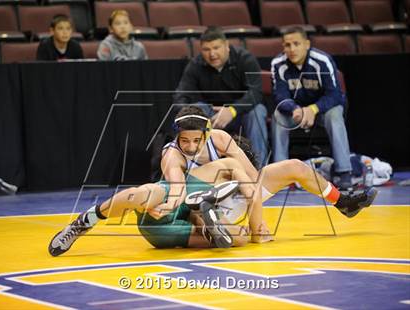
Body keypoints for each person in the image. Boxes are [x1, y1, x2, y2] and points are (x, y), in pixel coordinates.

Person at [48, 106, 377, 256]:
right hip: (176, 209)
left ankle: (343, 202)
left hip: (220, 199)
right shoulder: (171, 155)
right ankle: (82, 223)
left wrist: (258, 221)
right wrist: (171, 204)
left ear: (206, 134)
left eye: (196, 141)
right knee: (145, 194)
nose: (191, 147)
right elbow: (175, 185)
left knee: (291, 168)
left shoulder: (220, 139)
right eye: (185, 141)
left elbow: (251, 178)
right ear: (177, 137)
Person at [270, 26, 353, 190]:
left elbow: (335, 94)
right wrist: (295, 109)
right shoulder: (278, 64)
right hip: (296, 112)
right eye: (287, 45)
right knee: (278, 115)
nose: (292, 49)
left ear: (307, 44)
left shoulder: (322, 60)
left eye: (296, 44)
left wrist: (313, 109)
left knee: (335, 115)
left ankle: (344, 172)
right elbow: (280, 96)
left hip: (323, 110)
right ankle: (280, 173)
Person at [174, 27, 268, 168]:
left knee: (258, 111)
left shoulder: (245, 59)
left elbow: (255, 93)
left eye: (216, 48)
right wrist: (196, 115)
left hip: (240, 113)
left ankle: (258, 168)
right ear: (201, 50)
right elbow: (180, 97)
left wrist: (232, 110)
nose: (212, 54)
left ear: (226, 46)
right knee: (196, 109)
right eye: (206, 49)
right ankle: (195, 167)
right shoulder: (195, 64)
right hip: (211, 115)